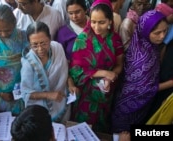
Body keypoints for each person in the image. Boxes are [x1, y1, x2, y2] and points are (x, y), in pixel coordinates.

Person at [111, 10, 168, 141]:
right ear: (146, 31)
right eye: (157, 33)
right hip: (127, 111)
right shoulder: (144, 58)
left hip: (138, 108)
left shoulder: (144, 44)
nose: (162, 36)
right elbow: (145, 89)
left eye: (165, 31)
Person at [69, 0, 124, 133]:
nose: (97, 27)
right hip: (85, 94)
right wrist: (104, 73)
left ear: (110, 21)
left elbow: (119, 65)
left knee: (100, 127)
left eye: (101, 22)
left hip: (105, 91)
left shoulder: (116, 40)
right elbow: (76, 70)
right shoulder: (82, 39)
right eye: (93, 22)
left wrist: (111, 77)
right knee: (82, 128)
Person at [20, 21, 77, 123]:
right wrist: (48, 95)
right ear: (29, 43)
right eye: (35, 45)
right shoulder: (28, 63)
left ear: (50, 38)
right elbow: (26, 93)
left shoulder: (58, 48)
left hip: (61, 101)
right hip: (39, 109)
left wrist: (71, 85)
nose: (40, 49)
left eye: (43, 43)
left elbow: (64, 72)